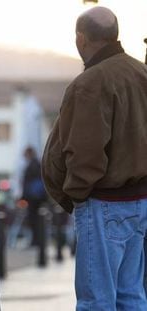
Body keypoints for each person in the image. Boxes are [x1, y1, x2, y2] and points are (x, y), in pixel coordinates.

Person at [42, 6, 147, 310]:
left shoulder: (90, 83)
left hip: (104, 203)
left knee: (96, 301)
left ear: (81, 38)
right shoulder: (142, 74)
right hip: (139, 201)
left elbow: (85, 155)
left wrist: (76, 197)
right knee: (132, 295)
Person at [21, 146, 46, 247]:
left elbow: (27, 183)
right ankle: (37, 240)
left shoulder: (32, 165)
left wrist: (23, 196)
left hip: (33, 197)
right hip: (38, 197)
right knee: (37, 219)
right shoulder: (38, 164)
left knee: (33, 219)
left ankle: (36, 241)